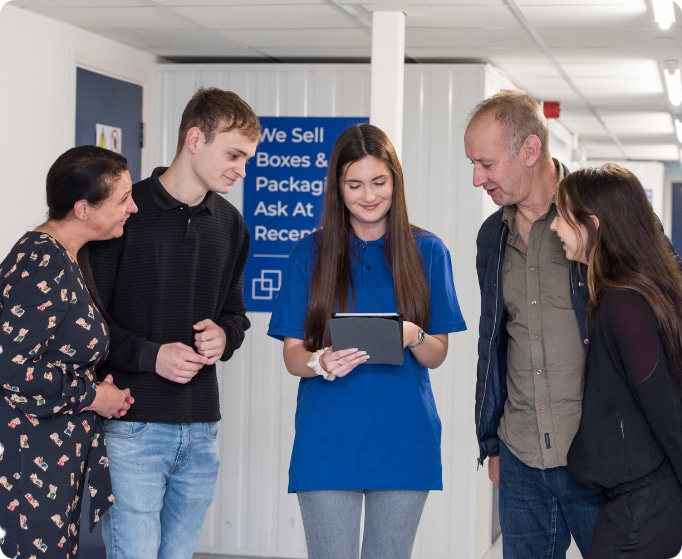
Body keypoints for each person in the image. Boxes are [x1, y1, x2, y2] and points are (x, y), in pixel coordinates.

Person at [267, 123, 467, 559]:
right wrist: (320, 362)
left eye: (379, 182)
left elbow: (437, 355)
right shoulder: (309, 253)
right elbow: (291, 355)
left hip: (404, 439)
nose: (368, 195)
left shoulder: (429, 252)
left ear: (395, 180)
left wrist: (413, 336)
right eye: (354, 184)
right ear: (337, 188)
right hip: (327, 440)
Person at [87, 87, 260, 559]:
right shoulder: (124, 214)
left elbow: (236, 316)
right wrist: (152, 355)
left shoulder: (231, 225)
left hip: (202, 429)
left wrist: (225, 335)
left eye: (247, 158)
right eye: (234, 154)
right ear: (195, 138)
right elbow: (90, 329)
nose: (241, 169)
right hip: (133, 426)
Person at [465, 89, 603, 558]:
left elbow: (661, 298)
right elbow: (493, 340)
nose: (476, 178)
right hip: (520, 455)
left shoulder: (596, 216)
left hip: (596, 453)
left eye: (486, 163)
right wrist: (491, 439)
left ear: (529, 150)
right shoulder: (491, 236)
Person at [0, 145, 136, 558]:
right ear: (82, 208)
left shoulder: (67, 258)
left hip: (55, 451)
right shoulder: (41, 262)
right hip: (30, 454)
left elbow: (52, 353)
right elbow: (11, 368)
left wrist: (97, 390)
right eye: (122, 199)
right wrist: (94, 396)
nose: (132, 208)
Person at [550, 163, 682, 558]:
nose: (554, 227)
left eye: (562, 216)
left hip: (643, 505)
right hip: (636, 499)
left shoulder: (625, 303)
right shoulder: (630, 294)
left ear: (592, 224)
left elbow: (666, 407)